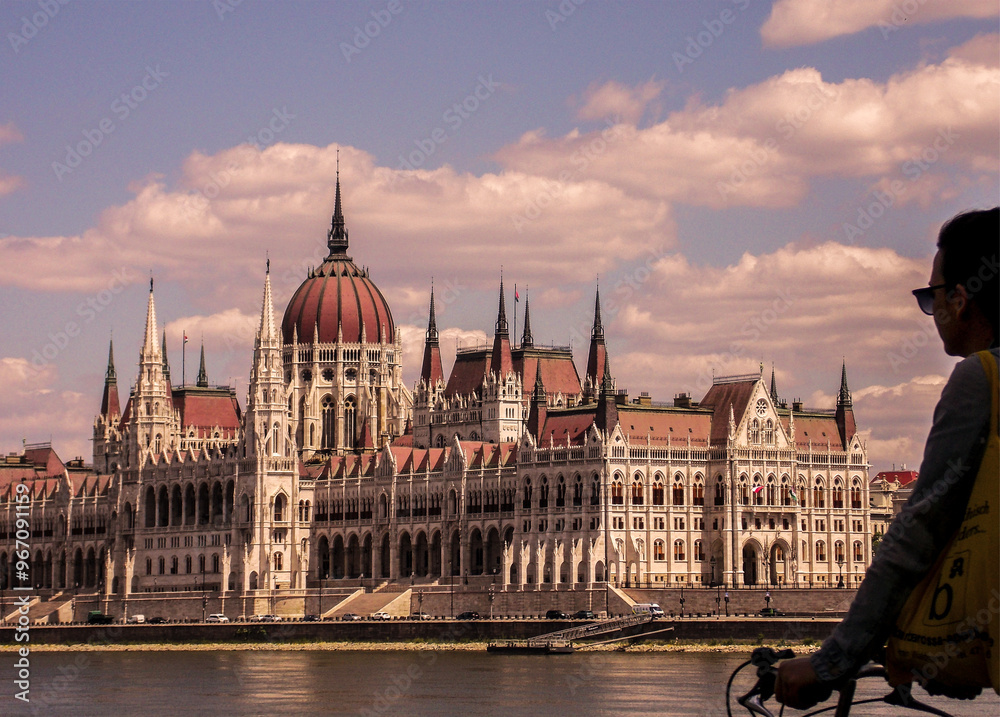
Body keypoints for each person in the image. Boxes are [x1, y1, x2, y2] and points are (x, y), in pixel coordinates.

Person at [776, 207, 1000, 709]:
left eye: (931, 297)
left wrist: (832, 662)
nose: (932, 309)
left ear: (961, 300)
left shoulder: (982, 379)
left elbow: (917, 530)